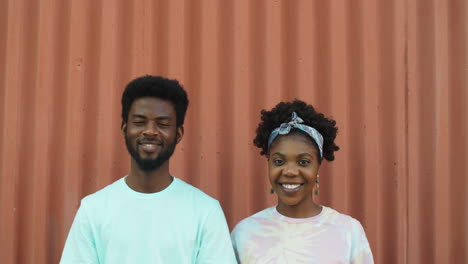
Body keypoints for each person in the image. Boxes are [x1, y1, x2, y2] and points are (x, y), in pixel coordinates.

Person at [61, 75, 236, 263]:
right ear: (124, 129)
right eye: (139, 122)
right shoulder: (94, 210)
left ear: (178, 134)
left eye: (162, 124)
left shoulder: (205, 212)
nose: (150, 131)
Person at [231, 100, 374, 263]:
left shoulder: (349, 232)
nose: (290, 172)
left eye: (304, 162)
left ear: (318, 167)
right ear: (268, 163)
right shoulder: (245, 234)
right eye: (279, 161)